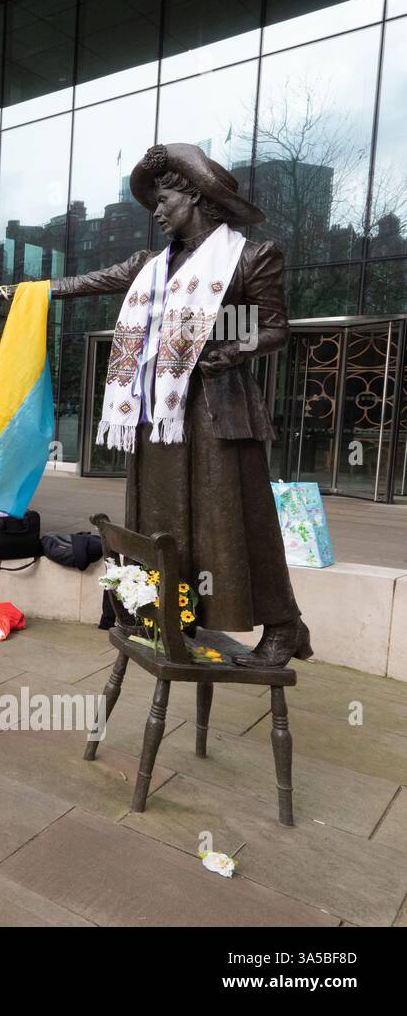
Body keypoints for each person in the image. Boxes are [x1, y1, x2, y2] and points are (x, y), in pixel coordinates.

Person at [49, 142, 307, 666]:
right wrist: (18, 294)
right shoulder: (151, 266)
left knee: (235, 517)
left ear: (195, 197)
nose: (158, 211)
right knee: (161, 517)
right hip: (157, 413)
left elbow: (275, 328)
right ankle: (173, 614)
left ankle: (285, 626)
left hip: (216, 410)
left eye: (164, 199)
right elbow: (85, 283)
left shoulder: (251, 256)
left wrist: (225, 353)